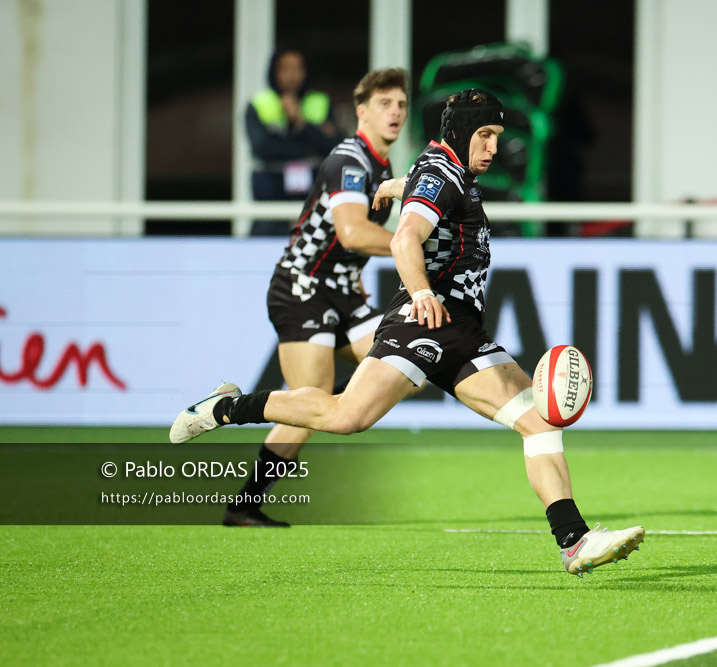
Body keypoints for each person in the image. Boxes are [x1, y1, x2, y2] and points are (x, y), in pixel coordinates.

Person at [170, 90, 645, 576]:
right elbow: (404, 237)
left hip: (462, 330)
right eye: (485, 135)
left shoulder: (447, 169)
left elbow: (428, 186)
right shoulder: (443, 174)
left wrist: (400, 185)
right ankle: (226, 406)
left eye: (497, 136)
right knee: (345, 417)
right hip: (423, 322)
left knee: (538, 421)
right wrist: (420, 291)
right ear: (460, 134)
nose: (494, 147)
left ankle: (574, 540)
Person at [216, 67, 410, 527]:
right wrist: (414, 247)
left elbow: (344, 240)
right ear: (361, 112)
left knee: (408, 365)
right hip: (302, 288)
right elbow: (351, 231)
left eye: (401, 104)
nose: (396, 112)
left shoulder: (379, 167)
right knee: (313, 399)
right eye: (385, 104)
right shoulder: (349, 160)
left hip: (341, 293)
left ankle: (336, 409)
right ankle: (235, 448)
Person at [246, 48, 344, 236]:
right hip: (270, 203)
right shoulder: (259, 103)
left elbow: (335, 147)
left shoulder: (320, 102)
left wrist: (302, 123)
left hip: (314, 201)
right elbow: (262, 147)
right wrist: (311, 143)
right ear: (274, 72)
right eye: (285, 69)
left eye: (297, 69)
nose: (291, 76)